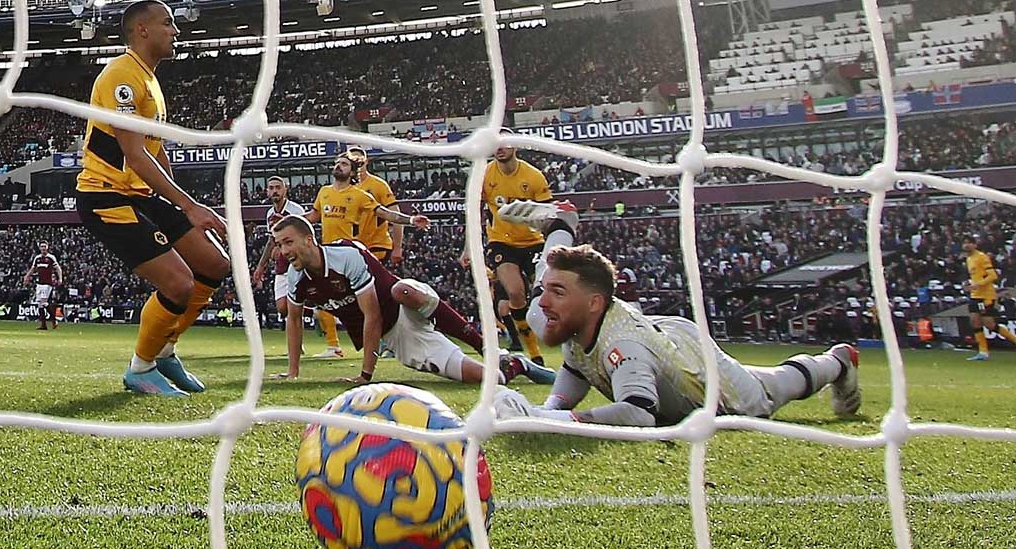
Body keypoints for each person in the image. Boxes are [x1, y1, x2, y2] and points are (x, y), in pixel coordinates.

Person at [494, 245, 861, 426]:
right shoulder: (580, 318)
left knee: (769, 392)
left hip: (706, 378)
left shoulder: (623, 345)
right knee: (766, 379)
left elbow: (640, 414)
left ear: (593, 302)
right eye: (544, 290)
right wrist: (548, 408)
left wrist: (554, 421)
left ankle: (837, 361)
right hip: (666, 337)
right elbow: (577, 369)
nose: (542, 301)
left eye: (556, 292)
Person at [74, 0, 231, 396]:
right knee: (179, 284)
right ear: (142, 30)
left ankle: (165, 351)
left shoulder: (150, 80)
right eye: (168, 23)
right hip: (107, 197)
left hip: (141, 195)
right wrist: (191, 206)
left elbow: (156, 151)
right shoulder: (121, 76)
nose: (175, 31)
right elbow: (134, 153)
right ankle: (140, 368)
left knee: (213, 263)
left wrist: (181, 206)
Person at [271, 215, 553, 386]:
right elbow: (293, 321)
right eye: (280, 245)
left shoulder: (346, 257)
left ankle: (485, 347)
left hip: (401, 303)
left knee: (401, 290)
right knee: (487, 380)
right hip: (396, 334)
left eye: (288, 242)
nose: (283, 251)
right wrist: (292, 372)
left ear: (309, 240)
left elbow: (372, 315)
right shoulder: (297, 278)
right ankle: (517, 365)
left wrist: (365, 375)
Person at [305, 155, 431, 359]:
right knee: (325, 302)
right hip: (327, 253)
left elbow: (385, 213)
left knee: (366, 303)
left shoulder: (359, 195)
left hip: (349, 255)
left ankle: (386, 342)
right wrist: (289, 221)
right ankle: (333, 346)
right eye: (337, 162)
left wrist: (410, 220)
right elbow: (313, 216)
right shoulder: (324, 192)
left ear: (353, 172)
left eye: (344, 163)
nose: (339, 165)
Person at [460, 137, 572, 366]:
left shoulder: (533, 176)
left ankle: (567, 341)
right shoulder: (484, 174)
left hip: (533, 242)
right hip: (501, 241)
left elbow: (549, 213)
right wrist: (468, 247)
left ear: (515, 146)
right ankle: (534, 354)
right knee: (515, 293)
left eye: (504, 143)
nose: (499, 148)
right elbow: (475, 212)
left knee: (547, 289)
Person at [252, 176, 307, 338]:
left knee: (294, 305)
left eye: (278, 187)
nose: (274, 191)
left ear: (285, 189)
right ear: (267, 191)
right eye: (271, 188)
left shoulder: (296, 210)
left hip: (297, 263)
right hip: (281, 265)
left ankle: (298, 341)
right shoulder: (270, 213)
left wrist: (283, 246)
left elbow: (302, 237)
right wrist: (261, 266)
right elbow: (271, 241)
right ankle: (315, 314)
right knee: (282, 307)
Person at [343, 146, 403, 265]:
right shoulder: (344, 187)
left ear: (366, 161)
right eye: (353, 161)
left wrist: (397, 247)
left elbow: (396, 214)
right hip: (353, 247)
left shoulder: (378, 185)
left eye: (360, 161)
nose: (358, 164)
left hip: (377, 245)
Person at [962, 235, 1016, 361]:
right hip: (975, 295)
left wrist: (977, 285)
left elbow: (992, 275)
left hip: (985, 295)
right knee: (975, 321)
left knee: (990, 325)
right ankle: (983, 352)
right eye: (964, 243)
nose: (966, 245)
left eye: (969, 242)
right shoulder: (969, 259)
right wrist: (969, 285)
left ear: (975, 245)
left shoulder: (981, 257)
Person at [22, 240, 63, 330]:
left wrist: (60, 278)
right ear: (39, 248)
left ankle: (54, 320)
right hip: (39, 283)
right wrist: (26, 277)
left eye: (45, 246)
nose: (43, 248)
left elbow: (58, 268)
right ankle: (43, 325)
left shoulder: (51, 258)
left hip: (48, 283)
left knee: (44, 302)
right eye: (42, 246)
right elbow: (33, 269)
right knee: (39, 304)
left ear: (47, 247)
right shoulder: (37, 258)